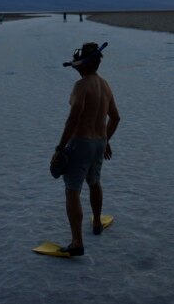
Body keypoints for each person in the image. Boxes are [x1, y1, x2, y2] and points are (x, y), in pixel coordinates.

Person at [51, 42, 120, 256]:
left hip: (80, 142)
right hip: (99, 142)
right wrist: (105, 140)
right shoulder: (105, 85)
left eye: (78, 64)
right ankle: (97, 223)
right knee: (95, 182)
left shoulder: (81, 87)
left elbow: (74, 119)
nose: (76, 67)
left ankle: (77, 242)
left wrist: (60, 148)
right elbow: (115, 118)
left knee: (72, 190)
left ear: (84, 65)